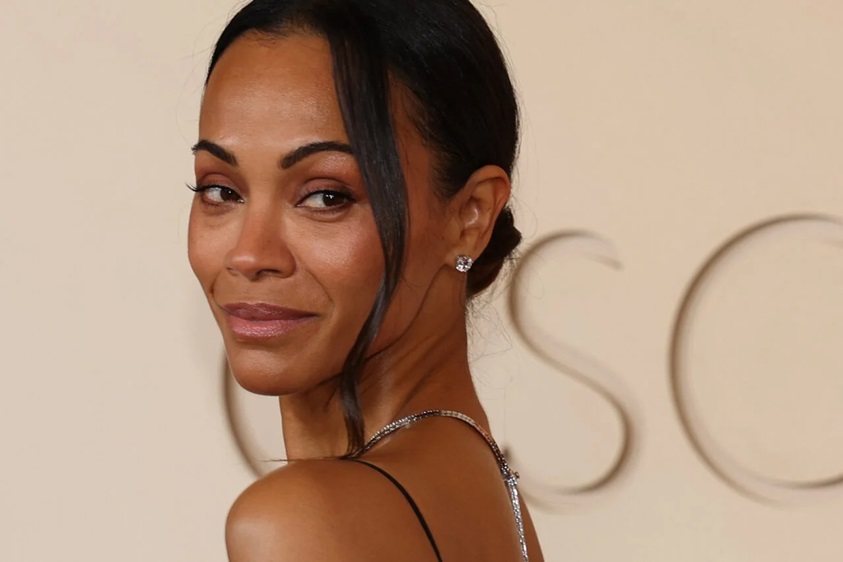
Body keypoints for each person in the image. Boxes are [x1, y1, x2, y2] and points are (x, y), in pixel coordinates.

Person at [187, 0, 544, 560]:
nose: (250, 254)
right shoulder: (477, 487)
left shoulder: (304, 521)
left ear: (470, 216)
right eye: (221, 190)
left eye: (326, 197)